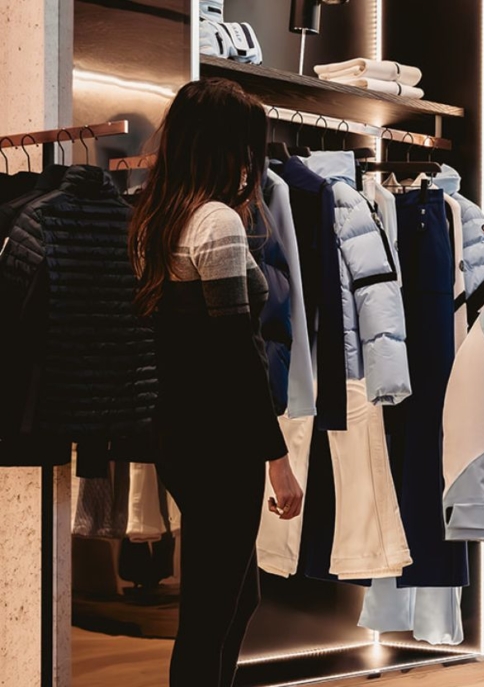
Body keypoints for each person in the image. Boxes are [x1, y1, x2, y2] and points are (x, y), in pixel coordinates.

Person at [127, 77, 304, 687]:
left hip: (179, 431)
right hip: (223, 442)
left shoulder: (155, 217)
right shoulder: (218, 223)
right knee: (209, 614)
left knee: (235, 596)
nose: (252, 163)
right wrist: (277, 459)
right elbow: (237, 355)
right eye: (246, 146)